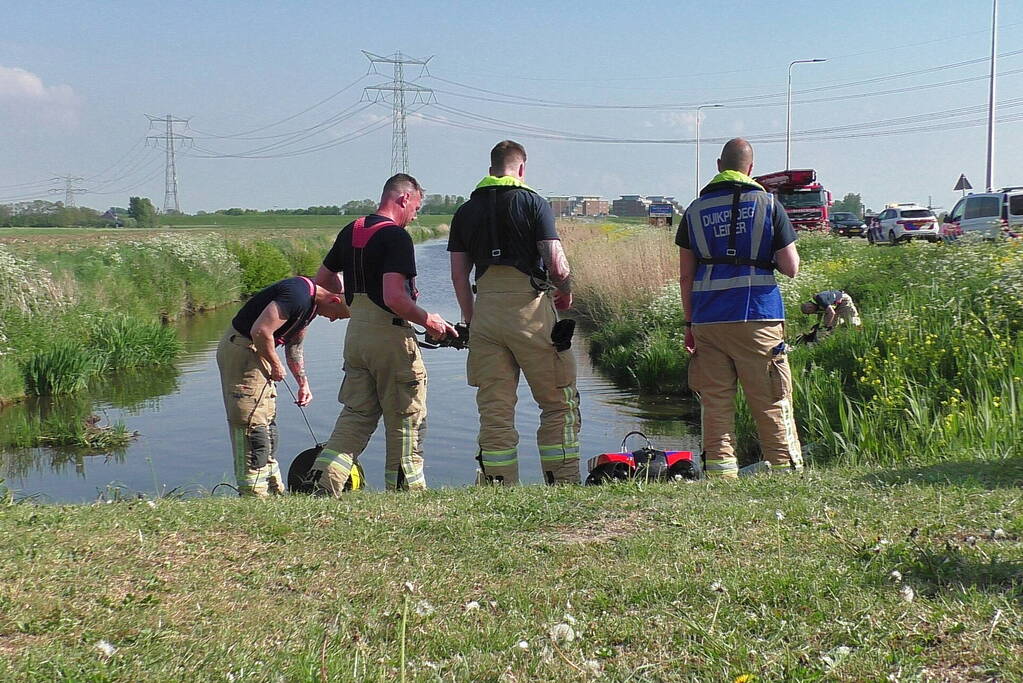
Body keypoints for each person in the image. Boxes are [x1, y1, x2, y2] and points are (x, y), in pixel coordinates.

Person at [310, 173, 456, 495]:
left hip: (356, 336)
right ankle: (406, 494)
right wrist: (428, 320)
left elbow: (323, 280)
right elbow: (394, 298)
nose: (417, 214)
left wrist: (349, 304)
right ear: (404, 198)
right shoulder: (396, 238)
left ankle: (322, 481)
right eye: (417, 206)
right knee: (407, 417)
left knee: (357, 414)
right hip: (390, 339)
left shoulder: (352, 230)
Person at [448, 140, 580, 486]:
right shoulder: (534, 202)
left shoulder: (464, 211)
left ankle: (498, 484)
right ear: (521, 169)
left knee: (495, 411)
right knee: (557, 402)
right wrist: (564, 293)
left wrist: (472, 318)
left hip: (486, 313)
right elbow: (557, 264)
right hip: (531, 311)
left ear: (491, 169)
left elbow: (459, 275)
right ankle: (562, 481)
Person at [676, 138, 804, 478]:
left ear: (719, 165)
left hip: (707, 319)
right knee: (771, 401)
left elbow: (685, 276)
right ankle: (784, 472)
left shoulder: (694, 210)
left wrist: (689, 324)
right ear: (751, 167)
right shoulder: (769, 204)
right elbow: (791, 267)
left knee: (716, 404)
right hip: (757, 317)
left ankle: (721, 475)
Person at [216, 275, 350, 497]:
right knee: (251, 422)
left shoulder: (312, 307)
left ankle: (272, 488)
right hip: (242, 351)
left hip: (258, 351)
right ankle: (253, 493)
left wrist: (303, 383)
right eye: (338, 316)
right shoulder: (297, 295)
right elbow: (260, 332)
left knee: (267, 422)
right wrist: (276, 365)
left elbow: (294, 345)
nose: (333, 320)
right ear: (334, 300)